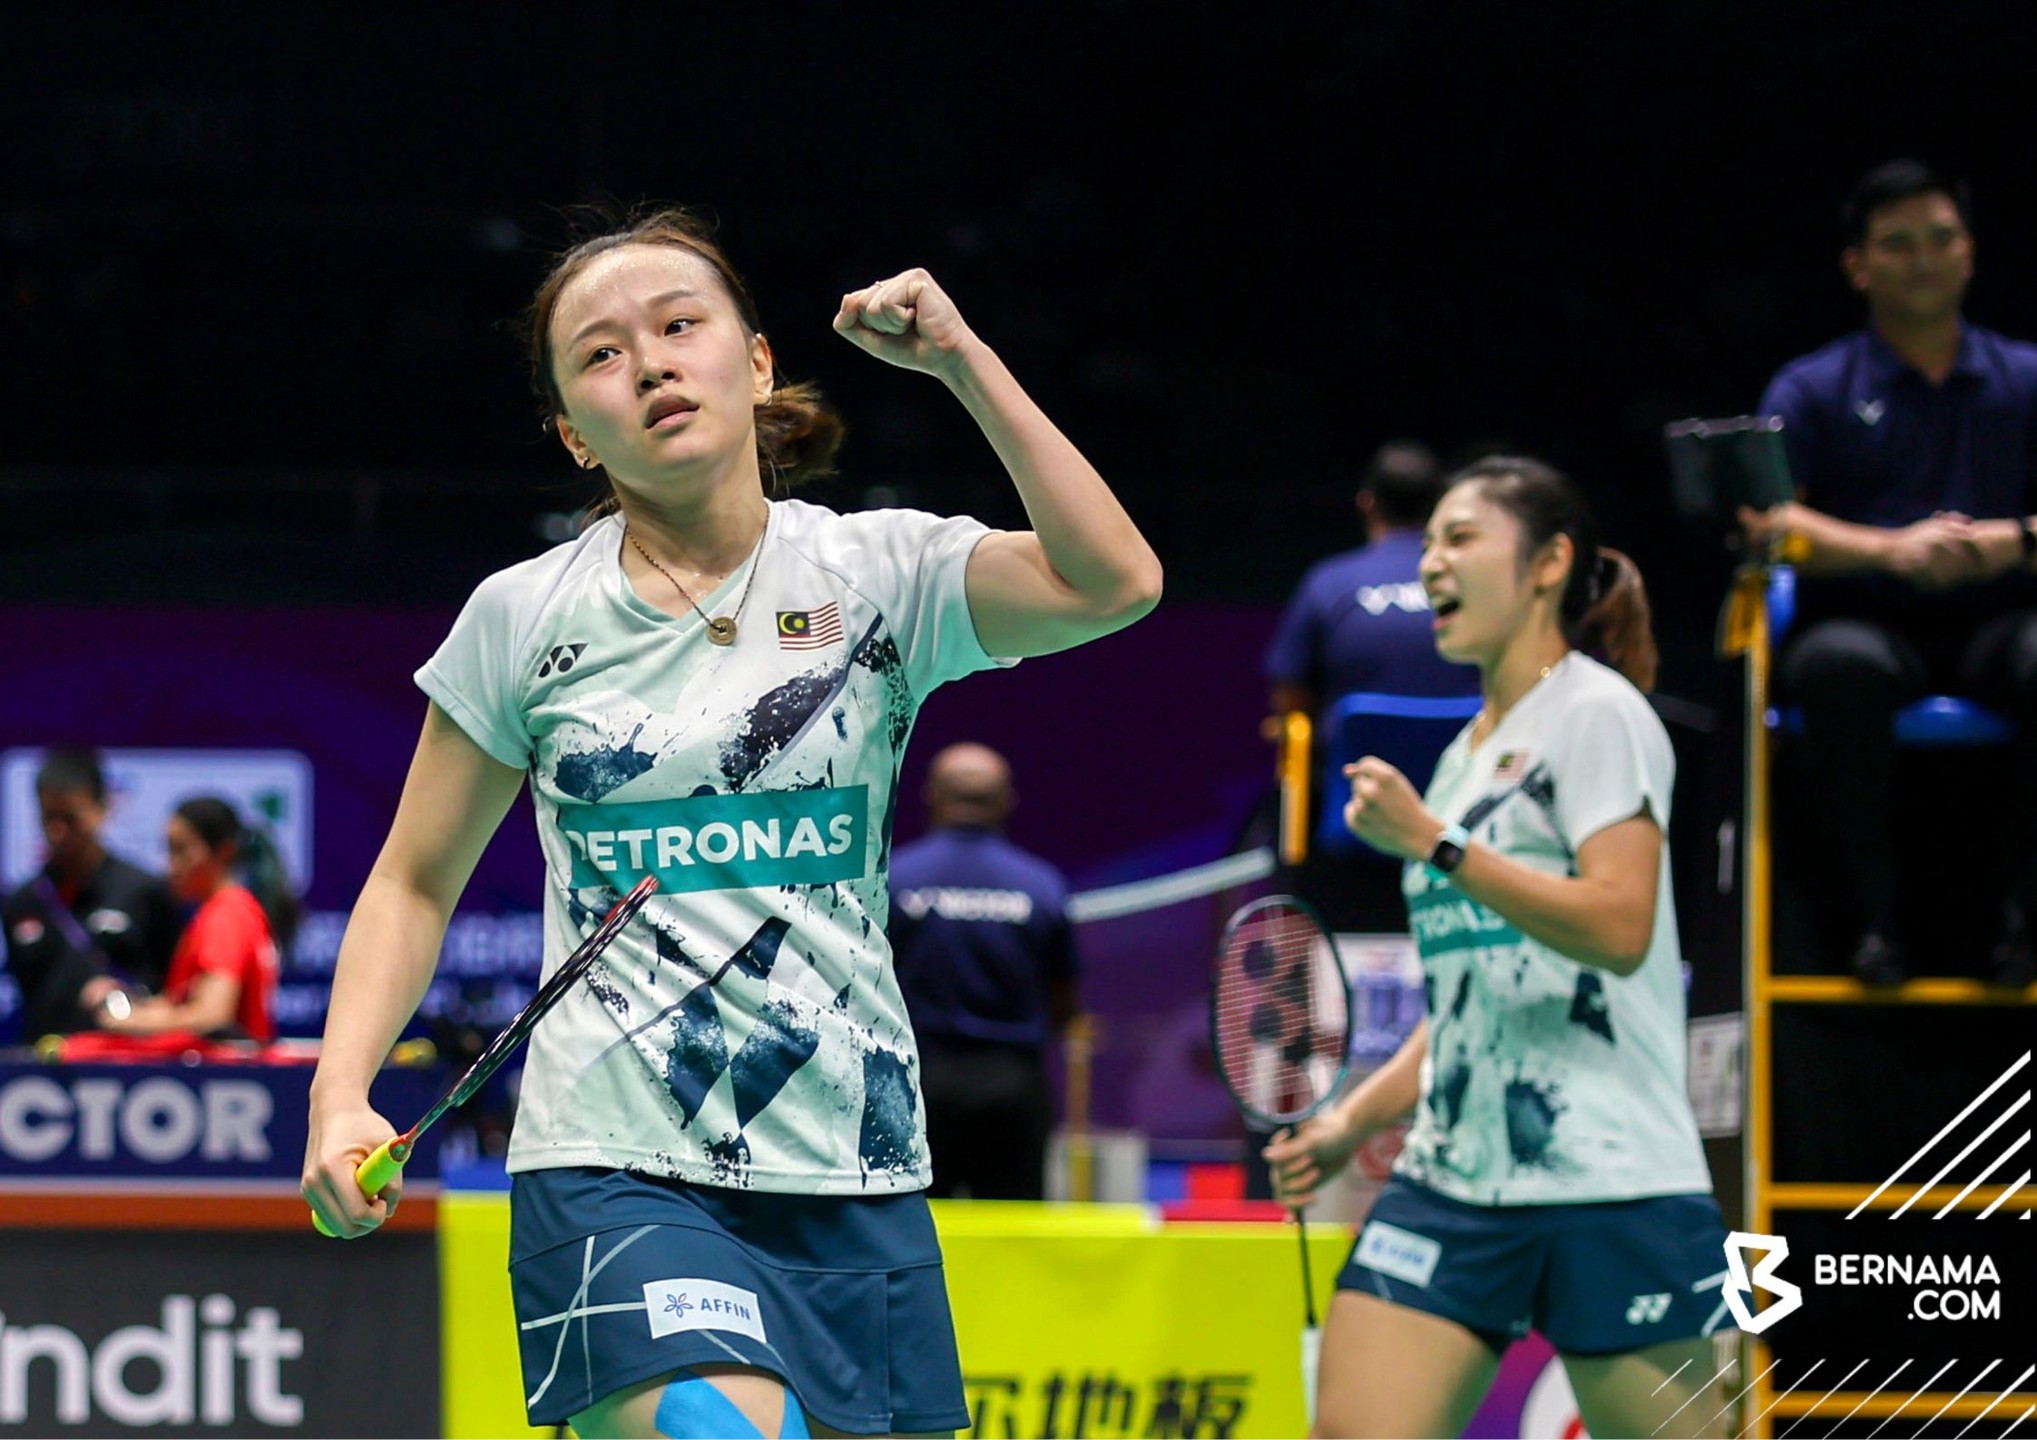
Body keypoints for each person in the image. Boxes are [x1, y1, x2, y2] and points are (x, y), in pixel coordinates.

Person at [299, 207, 1161, 1440]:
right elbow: (413, 882)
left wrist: (963, 362)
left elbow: (1114, 582)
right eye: (601, 355)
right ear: (573, 434)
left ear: (755, 364)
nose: (649, 364)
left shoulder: (880, 574)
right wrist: (341, 1094)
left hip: (855, 1160)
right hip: (613, 1154)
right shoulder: (524, 617)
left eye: (678, 326)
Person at [1267, 456, 1730, 1439]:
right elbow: (1468, 1005)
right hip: (1452, 1181)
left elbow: (1620, 926)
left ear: (1549, 563)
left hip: (1612, 1181)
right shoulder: (1461, 761)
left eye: (1462, 537)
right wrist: (1348, 1123)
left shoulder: (1599, 714)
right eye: (1430, 540)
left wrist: (1437, 844)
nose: (1431, 561)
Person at [1741, 158, 2037, 988]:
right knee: (1839, 667)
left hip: (2003, 619)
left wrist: (2012, 540)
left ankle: (2023, 921)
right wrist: (1890, 550)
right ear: (1857, 266)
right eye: (1897, 244)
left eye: (1940, 239)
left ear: (1969, 252)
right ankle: (1870, 924)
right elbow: (1767, 519)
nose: (1922, 259)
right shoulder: (1810, 386)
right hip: (1861, 620)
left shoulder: (2023, 378)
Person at [1264, 438, 1480, 933]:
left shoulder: (1329, 583)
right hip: (1465, 820)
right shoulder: (1471, 586)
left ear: (1367, 503)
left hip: (1354, 828)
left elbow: (1290, 699)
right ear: (1439, 504)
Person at [888, 742, 1079, 1200]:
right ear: (1007, 801)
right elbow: (1064, 998)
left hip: (915, 1084)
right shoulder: (1042, 886)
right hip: (1012, 1087)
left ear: (932, 795)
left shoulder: (894, 880)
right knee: (1013, 1232)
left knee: (919, 1221)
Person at [1, 747, 178, 1041]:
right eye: (49, 818)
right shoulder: (22, 902)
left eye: (71, 818)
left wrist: (132, 1000)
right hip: (45, 1059)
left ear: (102, 808)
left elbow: (175, 991)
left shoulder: (144, 891)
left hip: (128, 1056)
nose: (59, 832)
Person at [91, 795, 293, 1042]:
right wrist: (132, 1003)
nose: (170, 866)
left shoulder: (227, 917)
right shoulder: (226, 911)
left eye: (181, 850)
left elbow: (213, 1015)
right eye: (168, 850)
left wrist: (130, 1021)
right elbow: (183, 1004)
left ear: (224, 852)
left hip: (226, 1065)